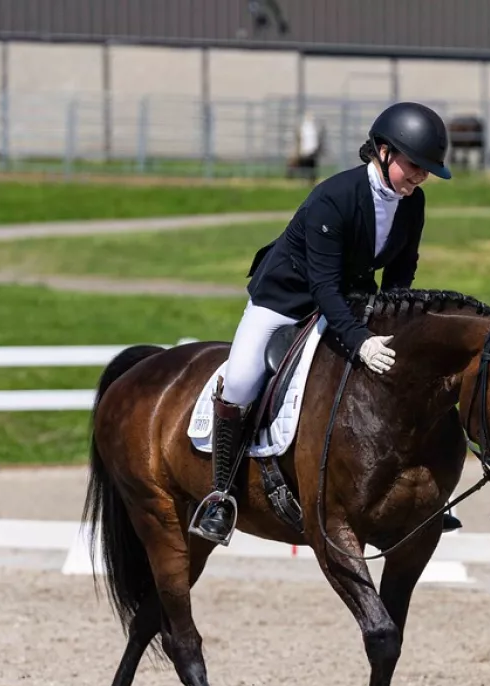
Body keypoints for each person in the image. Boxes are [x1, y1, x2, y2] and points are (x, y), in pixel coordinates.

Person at [190, 100, 464, 543]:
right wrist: (358, 341)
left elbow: (400, 272)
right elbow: (322, 286)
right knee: (240, 381)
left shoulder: (413, 203)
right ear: (383, 151)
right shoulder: (333, 197)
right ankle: (221, 495)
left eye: (427, 170)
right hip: (285, 299)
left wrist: (393, 322)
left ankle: (418, 494)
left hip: (352, 299)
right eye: (414, 166)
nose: (419, 177)